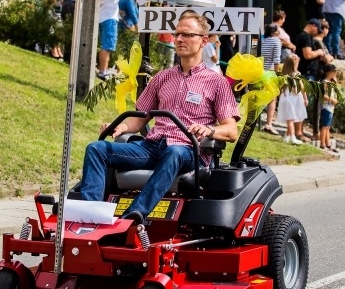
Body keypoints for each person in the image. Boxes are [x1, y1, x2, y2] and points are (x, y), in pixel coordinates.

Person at [78, 13, 239, 223]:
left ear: (203, 41)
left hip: (189, 151)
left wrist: (209, 130)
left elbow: (231, 130)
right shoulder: (162, 77)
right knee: (96, 148)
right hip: (152, 147)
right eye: (178, 34)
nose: (180, 39)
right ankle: (91, 215)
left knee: (174, 152)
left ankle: (133, 217)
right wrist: (120, 127)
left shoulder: (217, 83)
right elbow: (139, 119)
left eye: (188, 34)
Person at [294, 18, 325, 143]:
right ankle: (298, 132)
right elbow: (307, 54)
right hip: (306, 74)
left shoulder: (307, 37)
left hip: (309, 75)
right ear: (312, 25)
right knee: (302, 103)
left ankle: (299, 130)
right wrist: (318, 52)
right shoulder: (305, 37)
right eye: (317, 29)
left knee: (304, 103)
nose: (317, 32)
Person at [277, 55, 308, 145]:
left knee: (290, 118)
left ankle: (287, 136)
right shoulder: (296, 75)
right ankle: (292, 137)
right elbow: (301, 88)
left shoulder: (284, 75)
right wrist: (305, 97)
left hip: (287, 97)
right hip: (293, 98)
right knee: (291, 119)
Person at [97, 0, 121, 79]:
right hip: (109, 18)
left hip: (103, 16)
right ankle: (103, 71)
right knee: (107, 47)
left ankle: (104, 70)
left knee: (106, 46)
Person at [319, 64, 339, 153]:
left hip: (330, 107)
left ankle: (328, 144)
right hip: (326, 107)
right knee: (325, 126)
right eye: (334, 72)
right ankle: (322, 144)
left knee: (328, 126)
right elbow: (323, 95)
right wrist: (332, 99)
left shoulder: (330, 83)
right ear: (330, 72)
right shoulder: (325, 83)